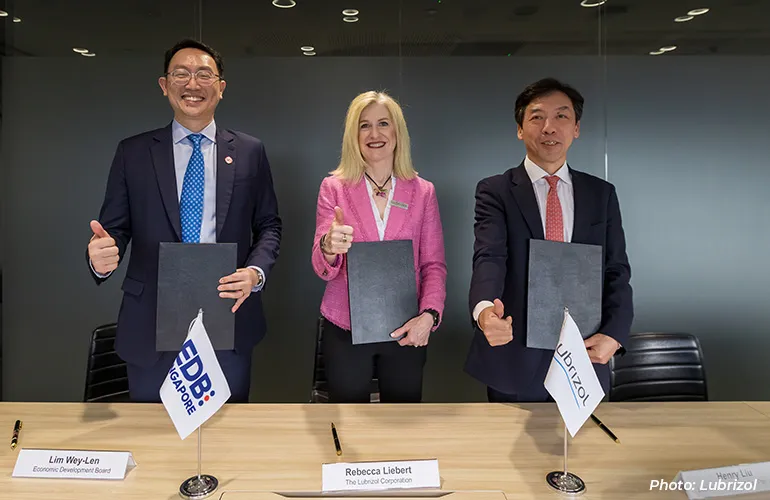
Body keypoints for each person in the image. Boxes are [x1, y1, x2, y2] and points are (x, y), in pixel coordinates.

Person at [87, 39, 282, 402]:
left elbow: (269, 225)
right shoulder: (133, 152)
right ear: (165, 85)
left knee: (226, 429)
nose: (193, 84)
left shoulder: (250, 152)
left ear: (220, 87)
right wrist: (101, 257)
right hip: (152, 320)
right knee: (153, 431)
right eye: (181, 74)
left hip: (227, 313)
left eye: (204, 74)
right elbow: (114, 229)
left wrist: (256, 273)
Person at [465, 78, 633, 402]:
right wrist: (484, 310)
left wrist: (615, 334)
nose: (549, 127)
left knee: (586, 438)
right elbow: (489, 257)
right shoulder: (495, 191)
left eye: (561, 116)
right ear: (520, 129)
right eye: (537, 117)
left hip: (584, 354)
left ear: (576, 128)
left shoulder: (601, 195)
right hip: (516, 357)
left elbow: (616, 270)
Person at [311, 91, 447, 403]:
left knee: (402, 421)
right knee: (348, 421)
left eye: (383, 124)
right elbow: (321, 267)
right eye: (364, 125)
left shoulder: (423, 192)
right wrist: (328, 246)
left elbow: (434, 265)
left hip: (407, 327)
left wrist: (429, 315)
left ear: (397, 132)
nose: (375, 134)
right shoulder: (333, 188)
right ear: (353, 135)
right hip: (344, 327)